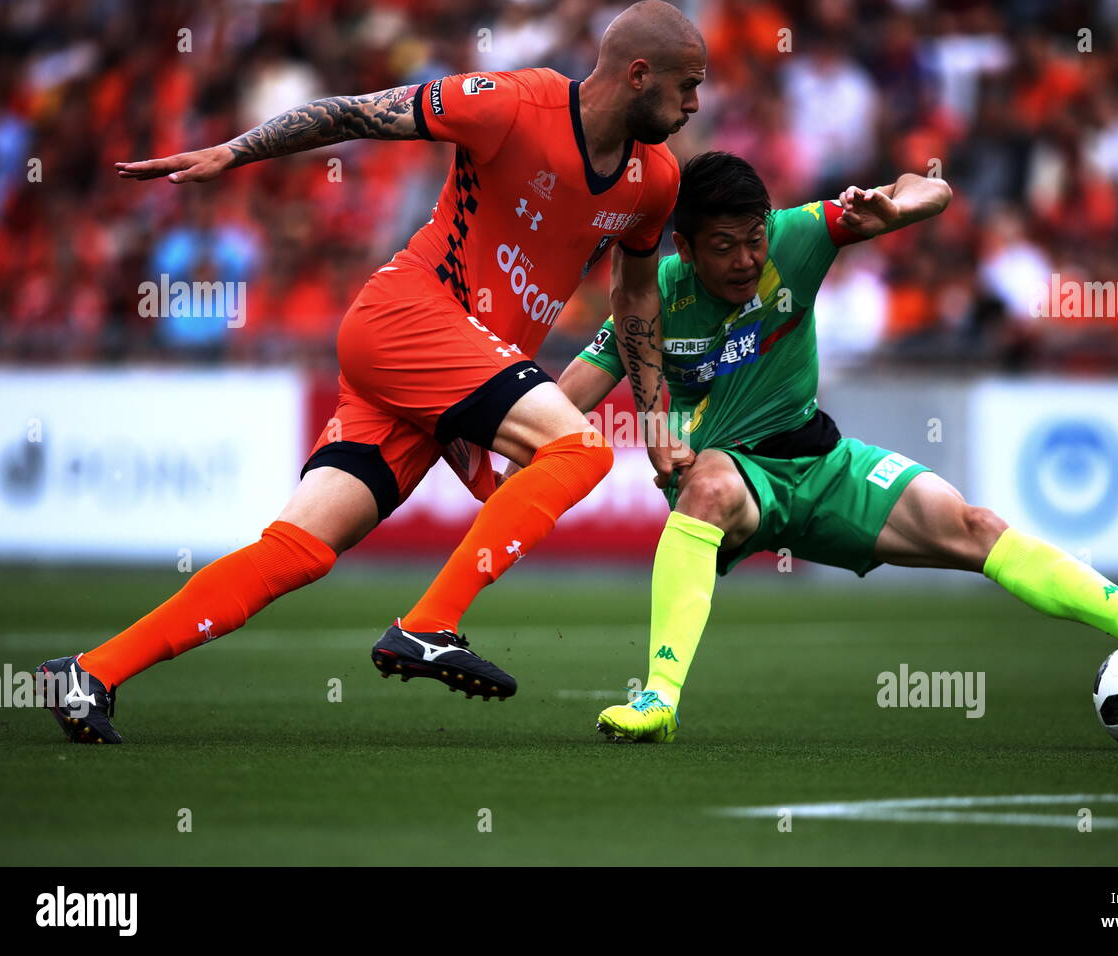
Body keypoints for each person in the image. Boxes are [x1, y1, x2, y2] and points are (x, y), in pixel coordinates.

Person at [37, 1, 707, 744]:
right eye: (686, 87)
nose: (695, 104)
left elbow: (636, 297)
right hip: (409, 319)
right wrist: (234, 152)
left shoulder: (655, 183)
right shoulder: (513, 103)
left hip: (450, 370)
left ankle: (91, 670)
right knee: (578, 449)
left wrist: (660, 422)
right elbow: (355, 112)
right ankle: (428, 625)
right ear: (638, 74)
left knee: (300, 549)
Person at [550, 151, 1118, 743]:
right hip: (732, 474)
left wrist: (894, 204)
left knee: (974, 526)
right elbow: (569, 393)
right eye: (724, 246)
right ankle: (660, 700)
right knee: (710, 486)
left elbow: (935, 191)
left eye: (754, 240)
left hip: (823, 463)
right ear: (686, 249)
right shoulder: (655, 296)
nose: (747, 259)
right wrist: (509, 435)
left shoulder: (800, 235)